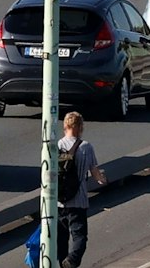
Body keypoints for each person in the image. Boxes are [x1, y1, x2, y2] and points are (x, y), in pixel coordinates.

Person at [55, 110, 104, 268]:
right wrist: (101, 179)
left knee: (61, 238)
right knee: (79, 236)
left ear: (65, 126)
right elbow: (94, 171)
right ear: (80, 127)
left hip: (60, 201)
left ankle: (62, 263)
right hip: (79, 200)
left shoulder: (58, 146)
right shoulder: (86, 147)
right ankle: (71, 261)